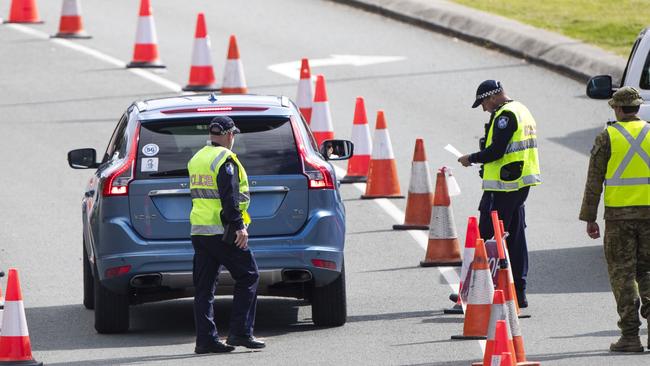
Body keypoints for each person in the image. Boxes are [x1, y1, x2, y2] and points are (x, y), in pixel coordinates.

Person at [458, 80, 541, 308]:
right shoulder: (521, 109)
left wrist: (471, 158)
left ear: (493, 96)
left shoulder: (505, 115)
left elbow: (496, 151)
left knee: (486, 236)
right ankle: (518, 293)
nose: (484, 108)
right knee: (514, 237)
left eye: (484, 102)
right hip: (518, 183)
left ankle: (476, 291)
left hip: (504, 186)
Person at [579, 86, 650, 353]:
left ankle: (630, 336)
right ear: (638, 107)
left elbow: (594, 180)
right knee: (648, 270)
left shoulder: (608, 136)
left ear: (618, 109)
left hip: (619, 218)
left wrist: (589, 217)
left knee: (623, 274)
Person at [188, 115, 265, 354]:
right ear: (229, 134)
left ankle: (205, 340)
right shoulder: (225, 159)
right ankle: (240, 332)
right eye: (233, 134)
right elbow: (229, 198)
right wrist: (239, 226)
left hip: (200, 231)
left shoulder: (197, 157)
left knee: (204, 289)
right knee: (249, 275)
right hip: (223, 231)